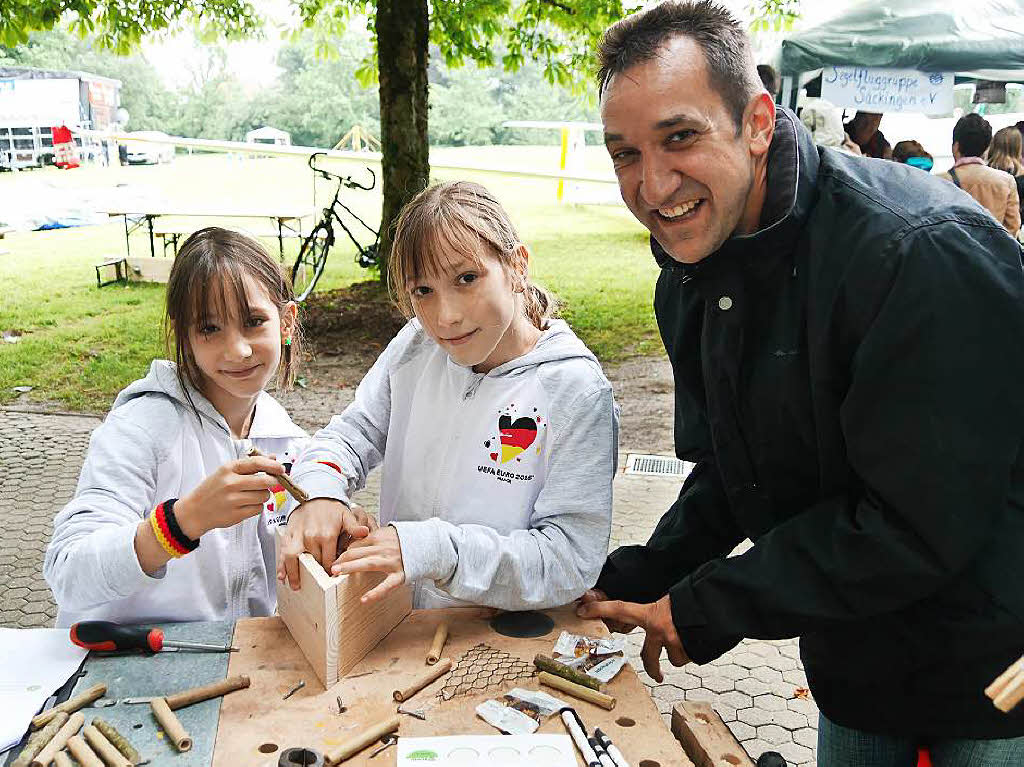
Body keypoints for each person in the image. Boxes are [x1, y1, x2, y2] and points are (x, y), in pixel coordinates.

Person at [577, 1, 1024, 764]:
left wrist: (706, 607)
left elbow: (914, 522)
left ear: (757, 121)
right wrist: (637, 577)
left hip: (988, 665)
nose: (651, 185)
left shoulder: (916, 255)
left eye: (680, 137)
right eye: (624, 153)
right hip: (853, 652)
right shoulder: (690, 272)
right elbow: (731, 465)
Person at [279, 181, 617, 611]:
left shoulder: (576, 391)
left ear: (517, 266)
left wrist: (437, 550)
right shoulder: (416, 346)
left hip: (504, 644)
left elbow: (568, 560)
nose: (446, 317)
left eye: (467, 278)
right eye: (423, 291)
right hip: (402, 631)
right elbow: (351, 434)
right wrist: (321, 492)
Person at [44, 227, 307, 626]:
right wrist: (181, 522)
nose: (237, 349)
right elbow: (68, 572)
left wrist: (332, 524)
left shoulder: (287, 438)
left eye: (254, 321)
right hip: (126, 661)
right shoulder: (142, 427)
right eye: (210, 328)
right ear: (184, 335)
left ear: (285, 322)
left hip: (242, 662)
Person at [940, 113, 1020, 234]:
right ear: (987, 147)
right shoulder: (1006, 181)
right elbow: (1012, 227)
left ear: (956, 147)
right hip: (993, 251)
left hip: (952, 252)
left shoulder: (940, 182)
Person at [987, 125, 1024, 229]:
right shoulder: (1021, 175)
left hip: (985, 233)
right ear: (1018, 147)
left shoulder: (984, 172)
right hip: (1012, 236)